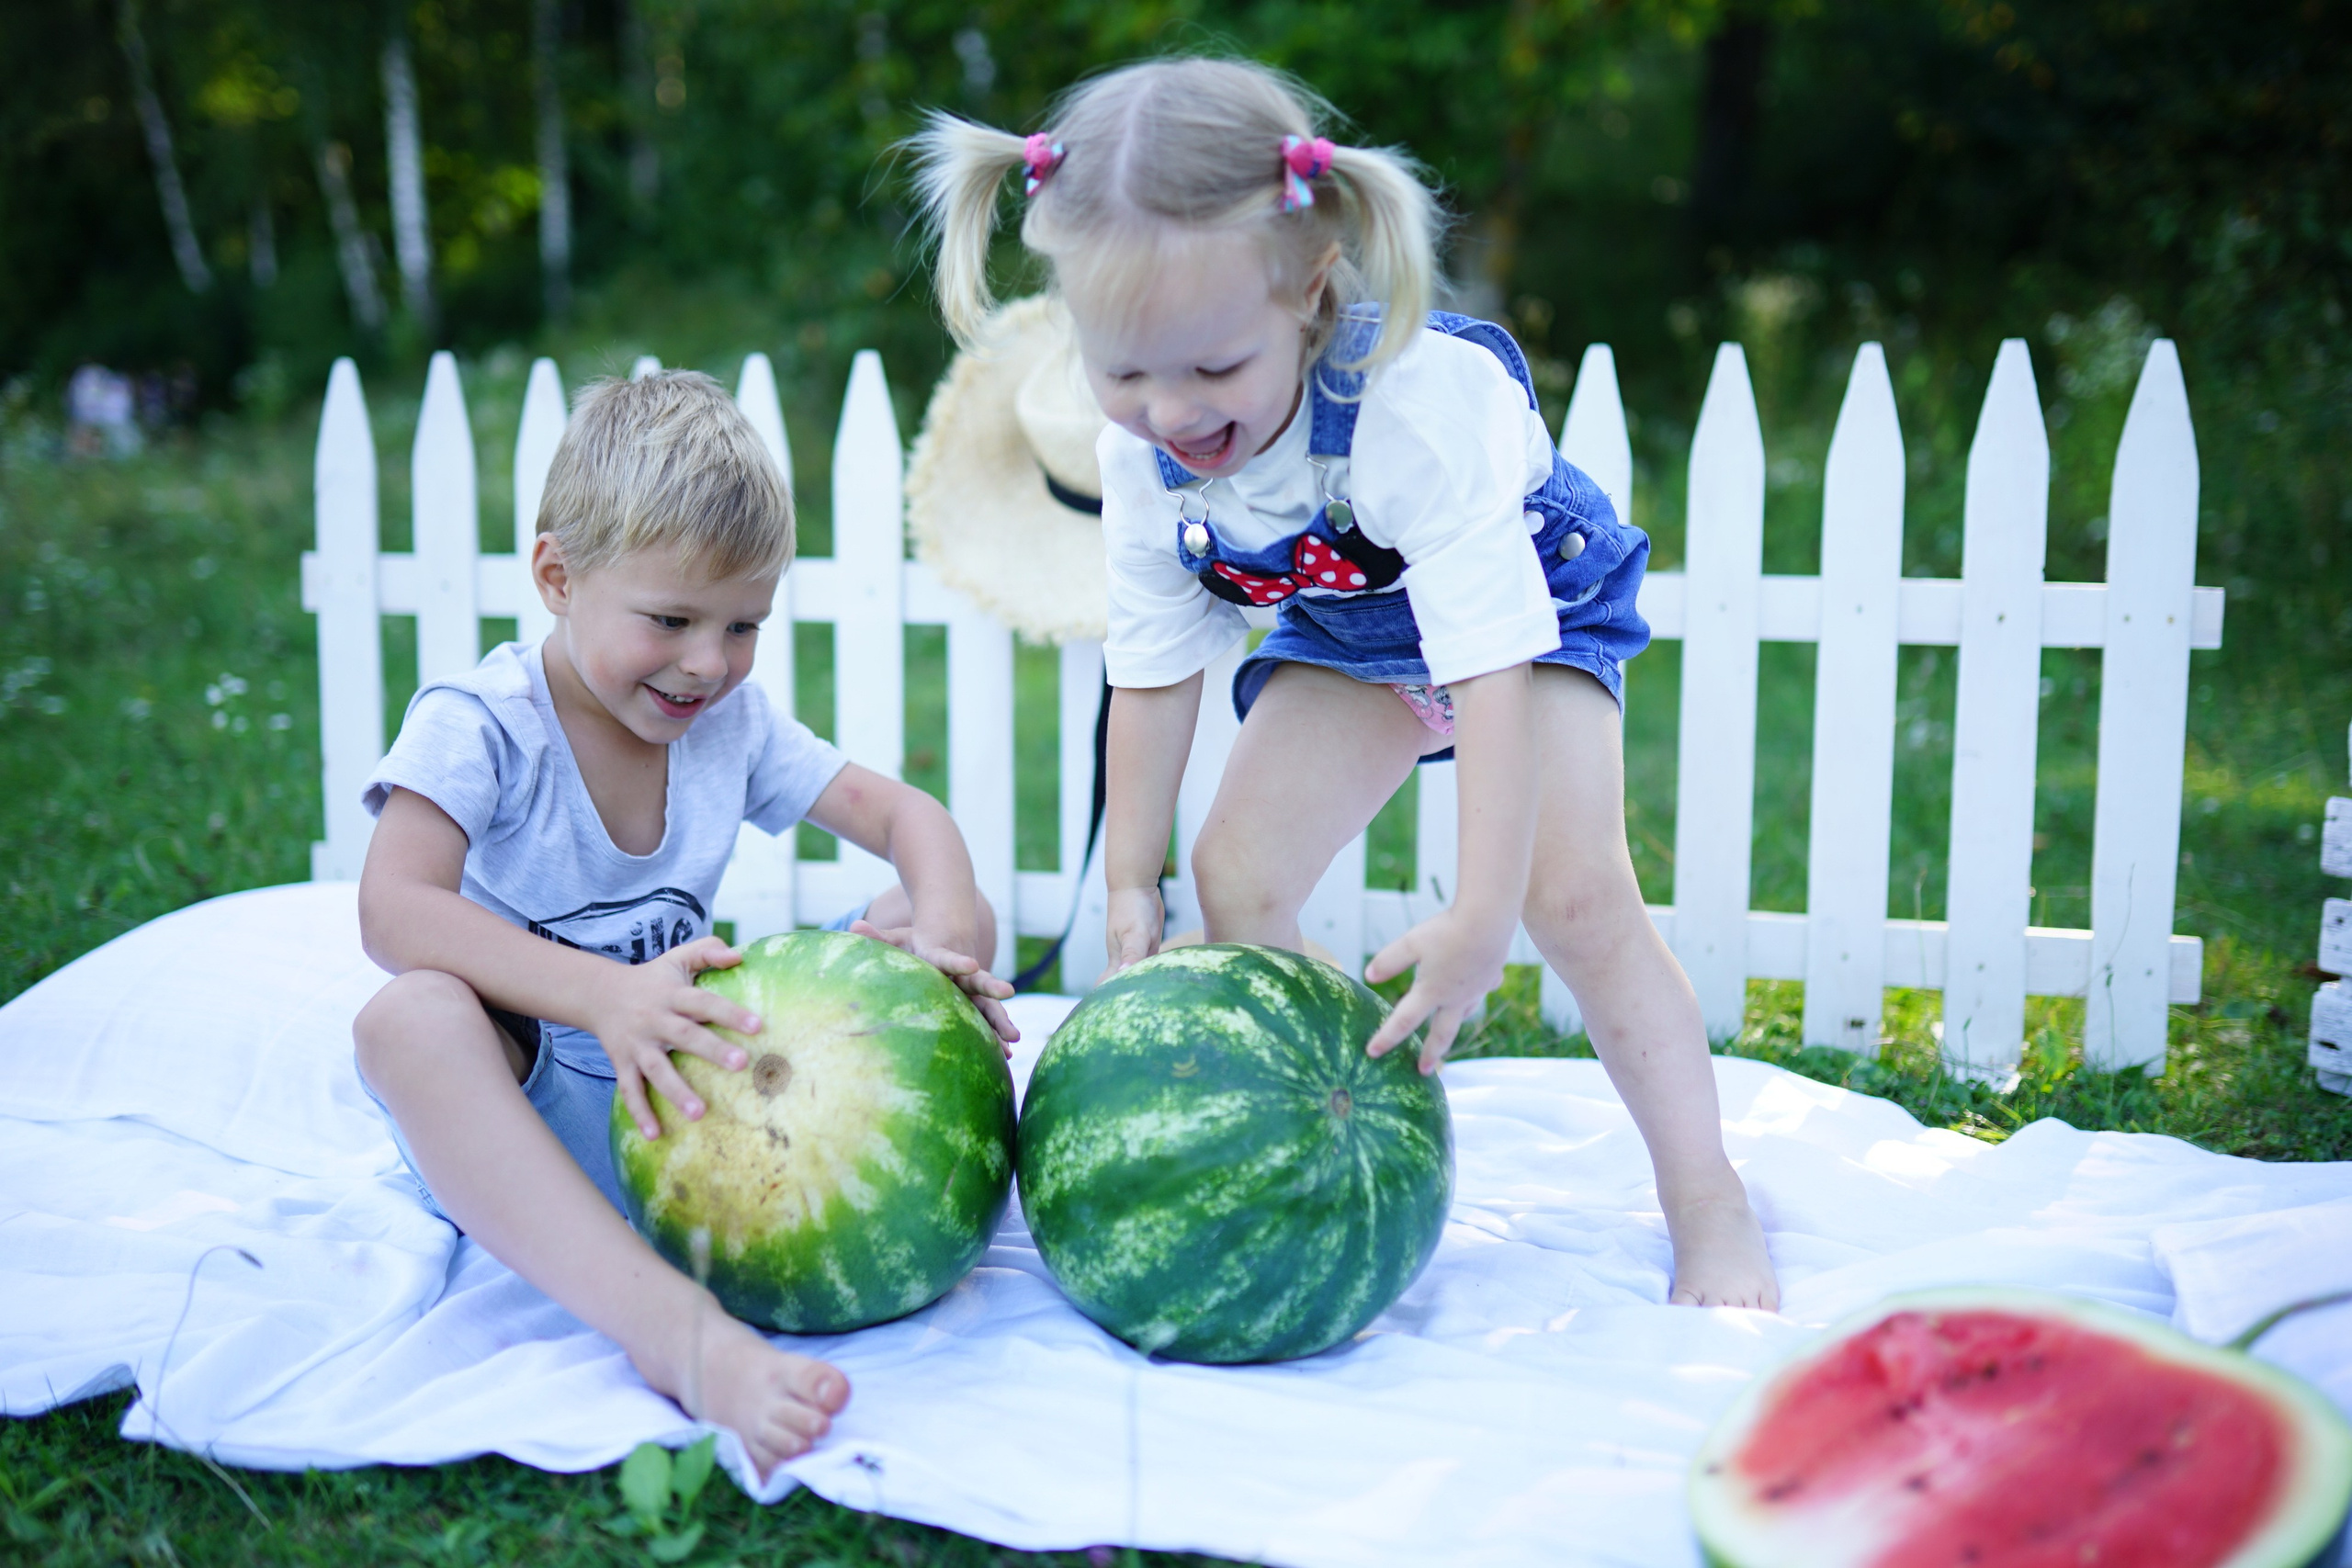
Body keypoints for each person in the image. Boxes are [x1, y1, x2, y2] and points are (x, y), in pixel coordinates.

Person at [910, 57, 1779, 1309]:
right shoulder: (1144, 457)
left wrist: (1480, 918)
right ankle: (1326, 1133)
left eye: (1214, 369)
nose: (1169, 410)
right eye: (1125, 371)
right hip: (1355, 632)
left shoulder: (1413, 407)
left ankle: (1706, 1194)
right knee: (1237, 877)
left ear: (1310, 289)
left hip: (1525, 615)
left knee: (1578, 899)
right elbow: (1150, 669)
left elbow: (1488, 665)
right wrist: (1129, 875)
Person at [351, 370, 1019, 1475]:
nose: (708, 662)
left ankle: (843, 1165)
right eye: (670, 620)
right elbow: (392, 909)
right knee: (408, 1020)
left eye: (742, 625)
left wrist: (942, 945)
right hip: (533, 1116)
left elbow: (909, 818)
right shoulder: (484, 725)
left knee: (943, 907)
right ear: (558, 576)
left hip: (703, 1104)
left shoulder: (727, 724)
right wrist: (605, 996)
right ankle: (673, 1332)